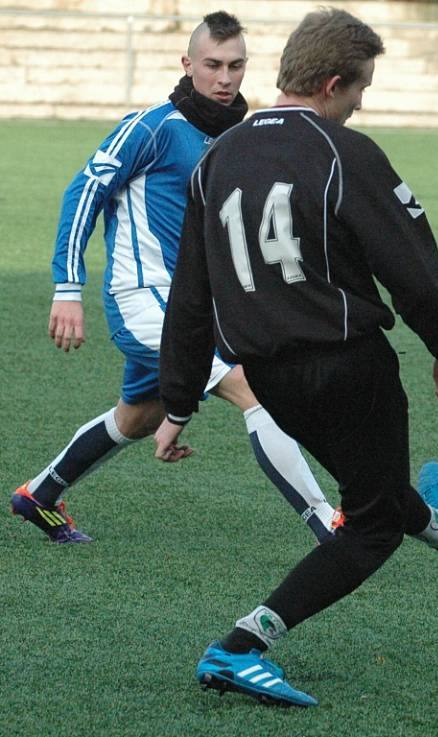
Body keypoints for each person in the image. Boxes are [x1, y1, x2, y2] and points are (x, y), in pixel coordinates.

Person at [154, 7, 438, 707]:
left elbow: (190, 296)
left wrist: (178, 403)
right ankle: (242, 644)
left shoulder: (216, 159)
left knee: (376, 486)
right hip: (349, 367)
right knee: (371, 524)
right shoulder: (343, 152)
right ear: (333, 82)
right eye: (360, 87)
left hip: (272, 379)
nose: (364, 102)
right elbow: (415, 271)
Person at [11, 11, 339, 545]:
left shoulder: (242, 135)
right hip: (140, 298)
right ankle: (328, 524)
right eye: (212, 64)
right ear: (188, 64)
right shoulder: (152, 127)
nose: (225, 77)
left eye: (235, 65)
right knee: (253, 387)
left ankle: (39, 494)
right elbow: (83, 193)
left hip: (195, 305)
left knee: (140, 416)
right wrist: (66, 289)